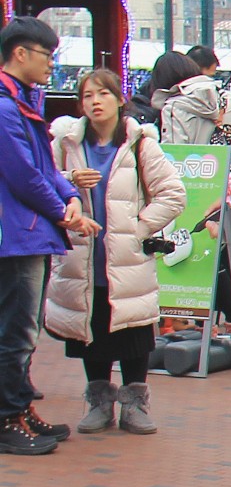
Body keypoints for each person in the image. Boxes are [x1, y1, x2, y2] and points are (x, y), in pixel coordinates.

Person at [45, 69, 185, 434]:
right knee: (91, 330)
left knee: (133, 329)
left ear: (118, 98)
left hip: (126, 260)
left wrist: (137, 229)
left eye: (103, 94)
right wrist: (69, 182)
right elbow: (41, 184)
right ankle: (99, 402)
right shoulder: (66, 143)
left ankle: (135, 403)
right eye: (88, 95)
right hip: (82, 257)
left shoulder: (141, 143)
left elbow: (172, 194)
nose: (95, 101)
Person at [0, 16, 95, 454]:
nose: (51, 65)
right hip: (14, 236)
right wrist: (64, 211)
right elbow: (22, 175)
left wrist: (68, 195)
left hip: (28, 233)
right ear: (20, 53)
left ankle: (18, 410)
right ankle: (6, 419)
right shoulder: (4, 105)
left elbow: (42, 168)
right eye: (47, 55)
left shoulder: (21, 102)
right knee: (15, 333)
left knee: (23, 330)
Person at [157, 62, 231, 324]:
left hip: (194, 193)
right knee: (222, 258)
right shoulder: (226, 98)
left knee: (196, 259)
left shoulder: (175, 106)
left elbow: (172, 157)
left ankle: (201, 326)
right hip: (228, 187)